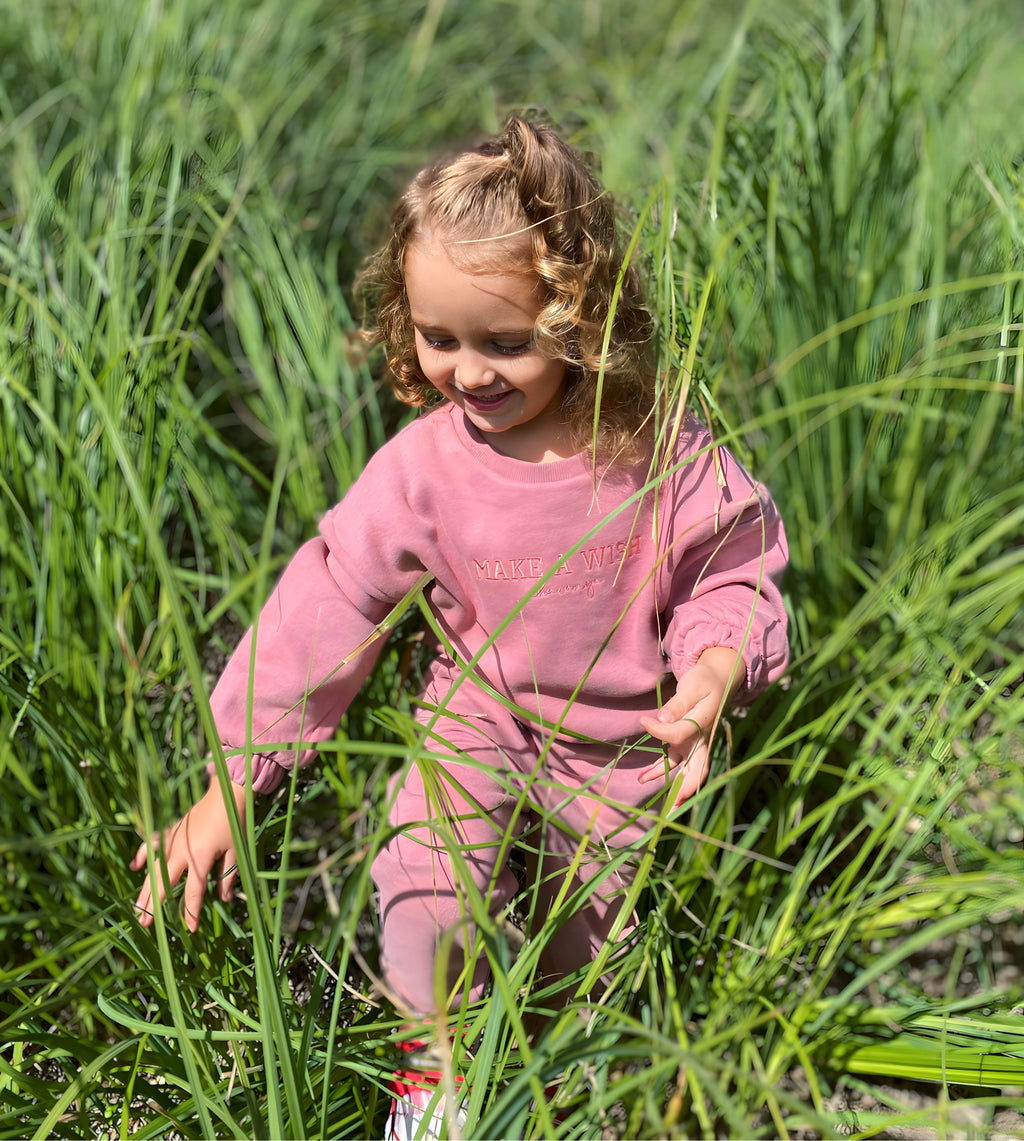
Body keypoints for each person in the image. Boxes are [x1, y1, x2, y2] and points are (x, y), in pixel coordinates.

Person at [132, 115, 789, 1137]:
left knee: (586, 958)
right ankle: (432, 1068)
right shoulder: (426, 467)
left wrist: (711, 668)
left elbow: (731, 566)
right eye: (439, 339)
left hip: (618, 747)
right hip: (473, 721)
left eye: (505, 342)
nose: (468, 371)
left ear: (578, 316)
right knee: (428, 893)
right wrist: (235, 776)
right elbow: (333, 601)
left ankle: (547, 1085)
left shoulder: (652, 446)